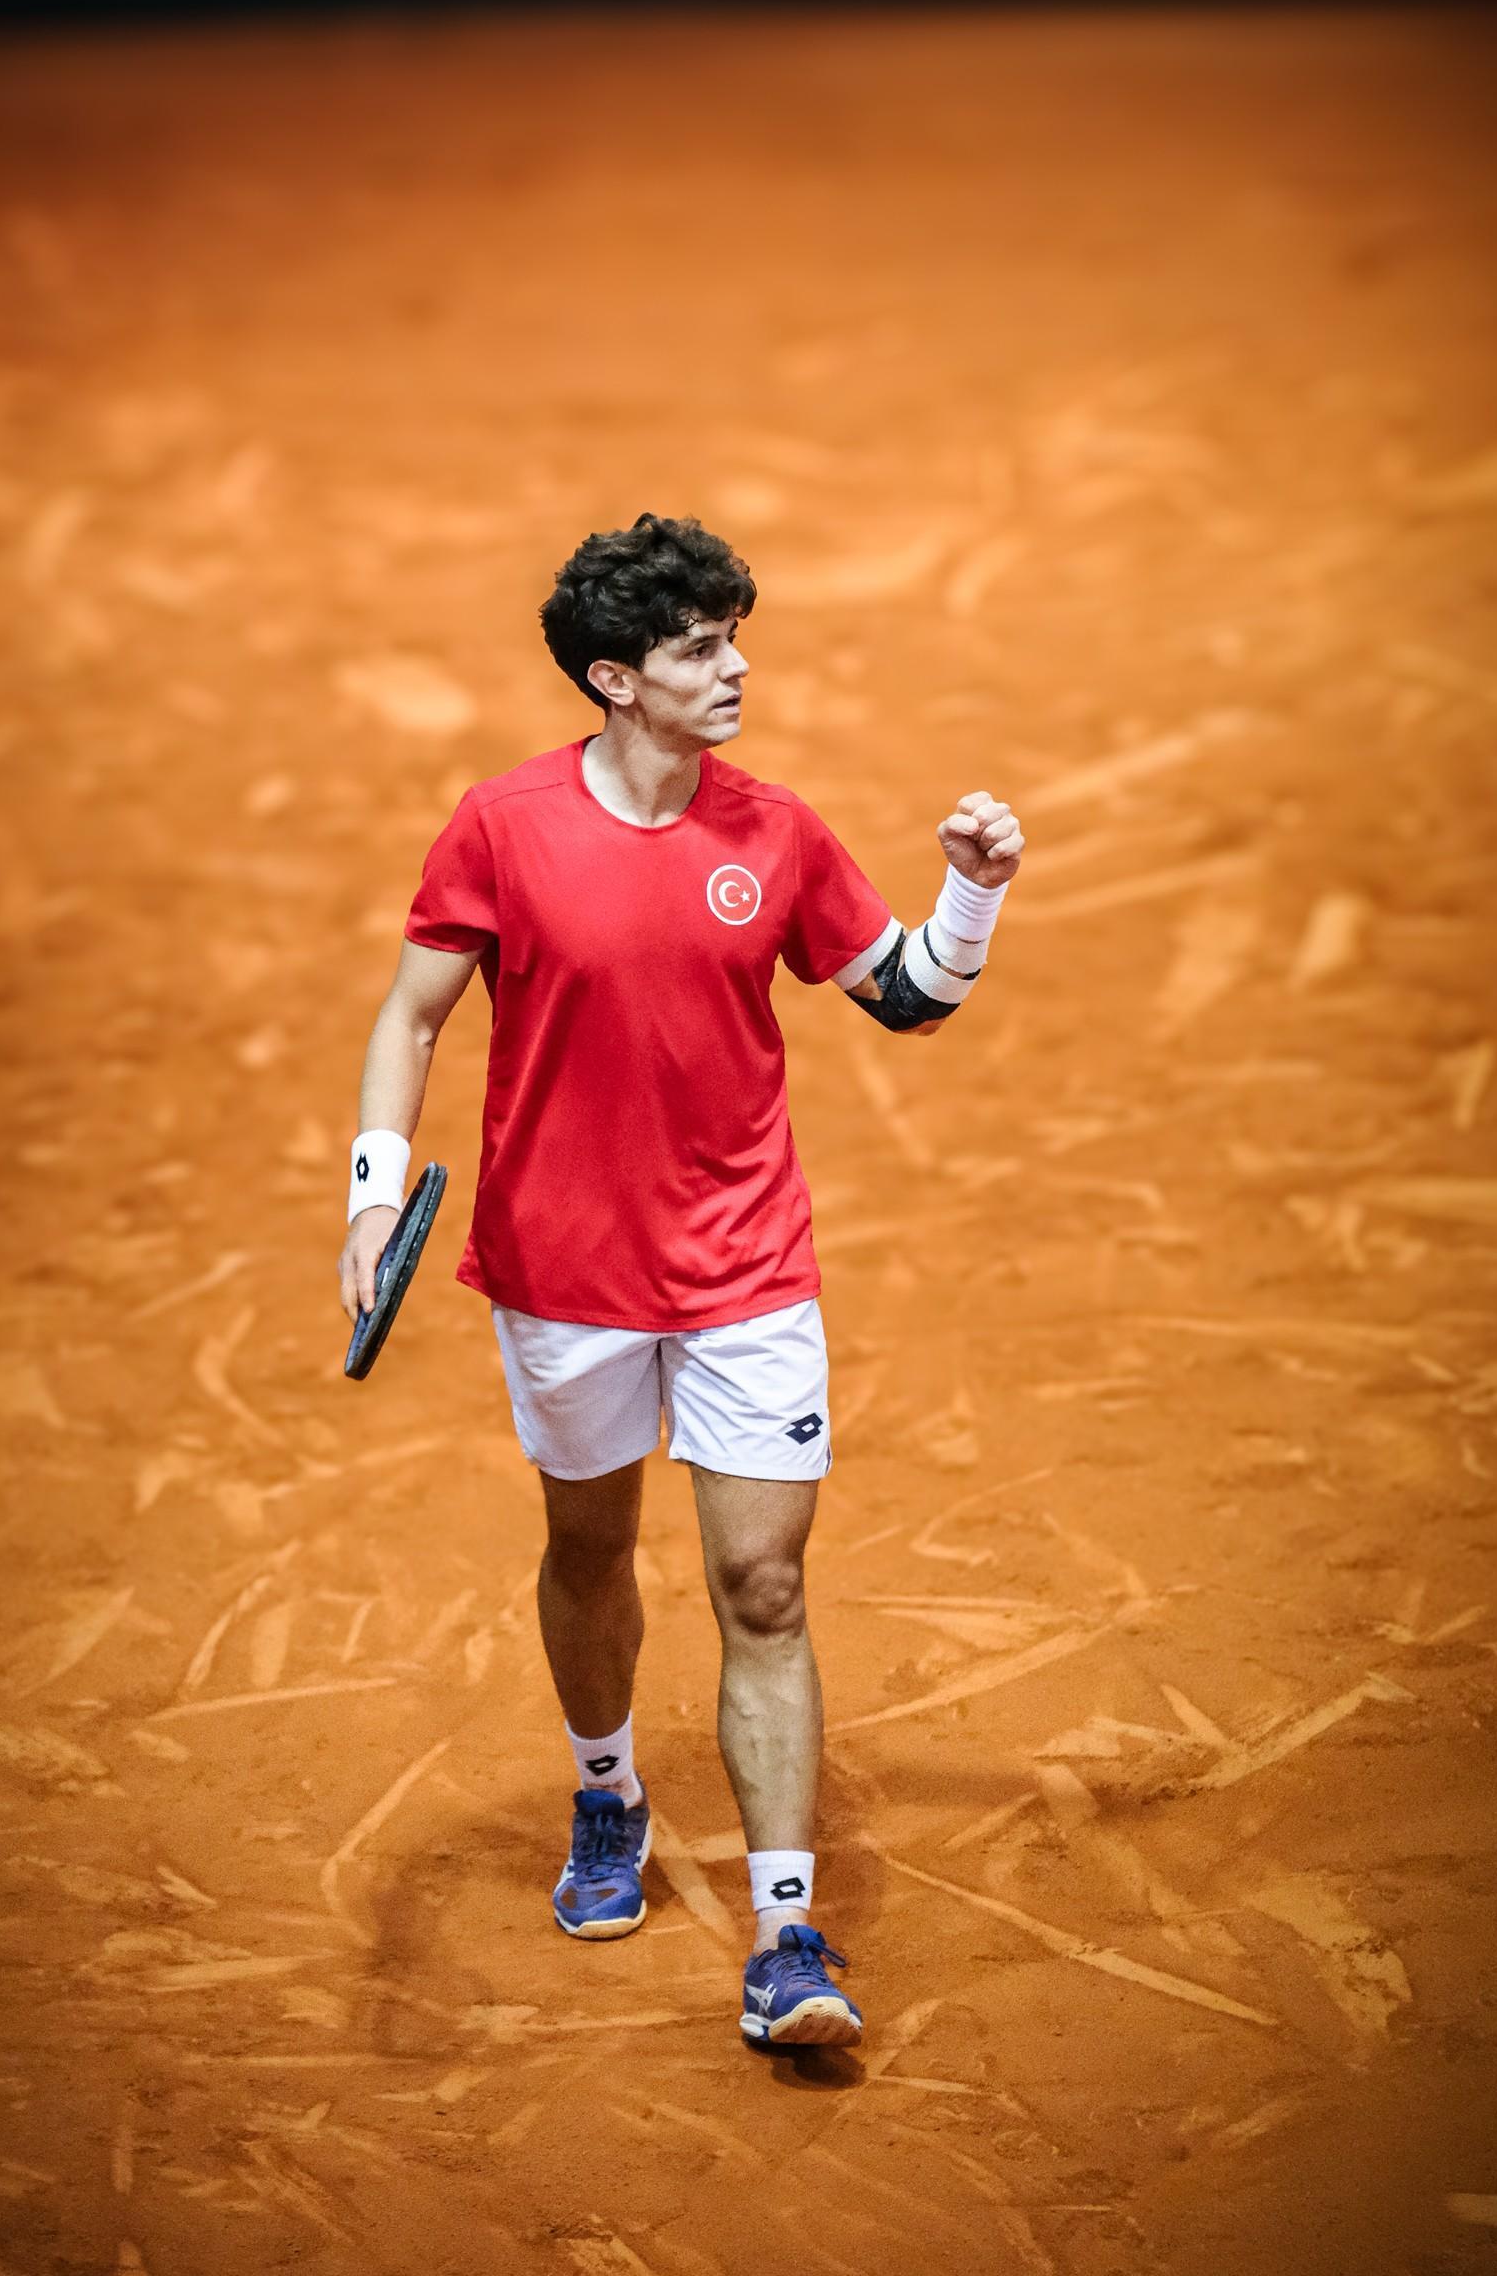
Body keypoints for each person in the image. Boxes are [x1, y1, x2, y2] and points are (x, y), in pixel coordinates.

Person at [337, 512, 1024, 2050]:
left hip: (745, 1263)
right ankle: (607, 1792)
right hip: (563, 1269)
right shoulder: (502, 829)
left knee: (763, 1587)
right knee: (589, 1548)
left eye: (734, 639)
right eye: (700, 648)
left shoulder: (776, 832)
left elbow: (907, 994)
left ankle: (786, 1937)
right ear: (614, 677)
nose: (736, 670)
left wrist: (972, 891)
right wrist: (374, 1194)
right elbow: (412, 1016)